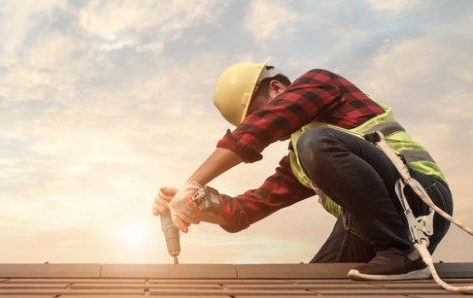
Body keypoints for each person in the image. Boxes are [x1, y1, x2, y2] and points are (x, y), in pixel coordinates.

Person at [152, 62, 453, 280]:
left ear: (277, 87)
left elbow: (264, 128)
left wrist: (193, 181)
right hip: (370, 226)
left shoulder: (321, 83)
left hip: (419, 197)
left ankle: (401, 253)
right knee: (314, 285)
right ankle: (395, 255)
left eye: (259, 112)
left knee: (316, 142)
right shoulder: (302, 160)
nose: (267, 123)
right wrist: (196, 202)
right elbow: (246, 210)